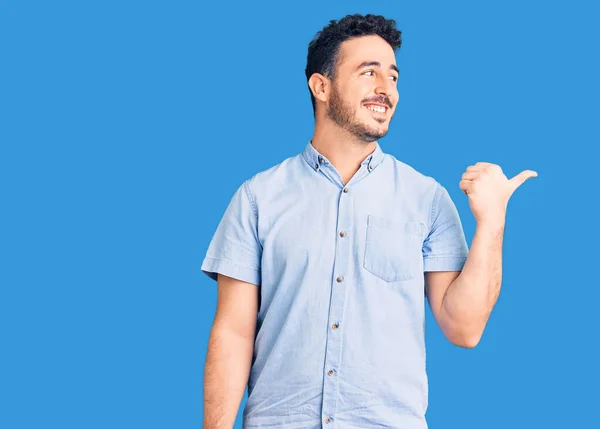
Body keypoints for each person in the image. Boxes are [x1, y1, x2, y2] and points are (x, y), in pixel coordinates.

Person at [200, 13, 537, 429]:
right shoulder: (257, 198)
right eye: (368, 72)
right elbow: (233, 333)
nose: (386, 90)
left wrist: (492, 222)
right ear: (320, 86)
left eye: (393, 77)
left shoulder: (427, 199)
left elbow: (464, 328)